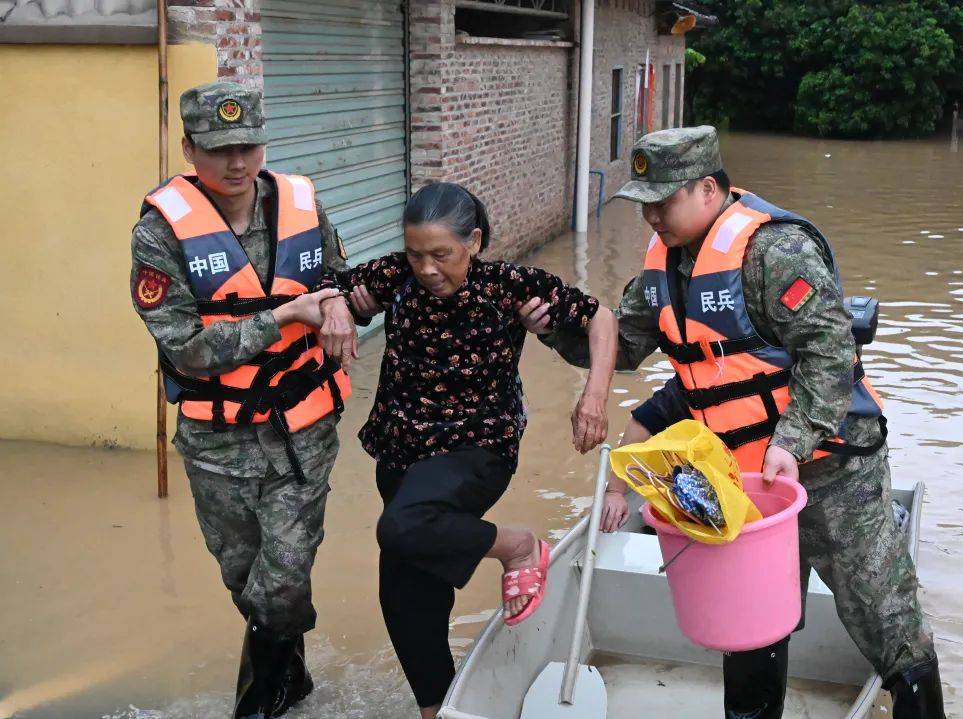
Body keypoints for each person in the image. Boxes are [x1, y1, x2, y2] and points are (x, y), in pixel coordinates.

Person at [518, 126, 946, 718]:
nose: (652, 218)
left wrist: (793, 441)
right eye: (644, 205)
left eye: (663, 202)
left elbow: (830, 354)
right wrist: (554, 330)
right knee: (749, 625)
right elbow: (624, 346)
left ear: (708, 189)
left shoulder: (777, 251)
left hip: (830, 467)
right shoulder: (663, 266)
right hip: (743, 479)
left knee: (884, 617)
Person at [320, 182, 617, 719]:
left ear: (473, 242)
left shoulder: (508, 286)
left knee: (402, 527)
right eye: (415, 254)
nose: (427, 269)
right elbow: (327, 287)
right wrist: (338, 305)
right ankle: (437, 708)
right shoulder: (394, 276)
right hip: (401, 448)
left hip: (476, 446)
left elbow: (600, 317)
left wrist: (594, 396)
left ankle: (519, 547)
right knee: (405, 590)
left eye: (441, 254)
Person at [130, 81, 359, 719]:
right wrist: (284, 315)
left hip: (302, 426)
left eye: (248, 147)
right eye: (219, 149)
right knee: (243, 577)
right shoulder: (158, 234)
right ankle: (292, 676)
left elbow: (339, 277)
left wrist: (337, 303)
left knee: (283, 573)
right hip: (216, 440)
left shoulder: (301, 205)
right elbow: (187, 349)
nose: (237, 163)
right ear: (188, 149)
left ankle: (255, 704)